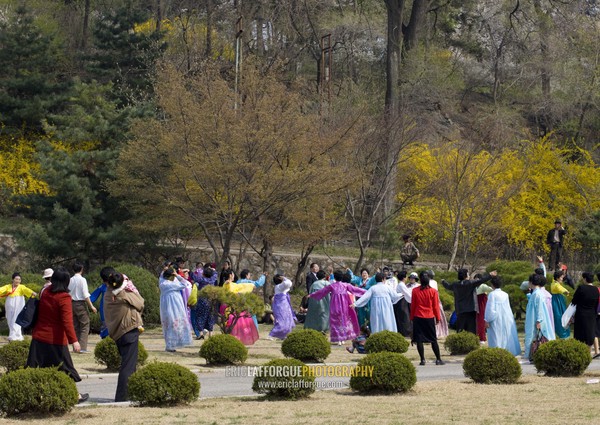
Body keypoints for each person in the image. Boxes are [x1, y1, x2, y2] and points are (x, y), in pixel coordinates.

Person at [26, 267, 88, 403]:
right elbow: (67, 322)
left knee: (40, 368)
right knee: (65, 367)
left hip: (38, 337)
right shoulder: (64, 297)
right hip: (55, 339)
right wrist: (74, 341)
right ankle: (74, 395)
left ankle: (35, 396)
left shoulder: (45, 291)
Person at [104, 271, 144, 402]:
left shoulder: (108, 294)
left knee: (127, 365)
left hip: (118, 334)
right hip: (129, 332)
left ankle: (129, 394)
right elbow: (140, 303)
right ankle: (122, 397)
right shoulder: (124, 295)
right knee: (128, 367)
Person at [308, 269, 366, 345]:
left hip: (334, 307)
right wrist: (367, 292)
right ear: (341, 277)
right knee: (343, 321)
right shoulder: (345, 285)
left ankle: (339, 339)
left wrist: (312, 295)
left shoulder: (332, 285)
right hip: (344, 306)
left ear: (335, 278)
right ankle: (343, 338)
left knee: (336, 322)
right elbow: (355, 289)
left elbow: (322, 291)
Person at [441, 269, 497, 335]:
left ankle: (460, 343)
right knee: (471, 330)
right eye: (468, 274)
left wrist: (443, 281)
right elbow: (481, 280)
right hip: (471, 310)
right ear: (466, 275)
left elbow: (448, 286)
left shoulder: (455, 285)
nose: (469, 275)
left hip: (460, 310)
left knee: (460, 330)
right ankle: (471, 343)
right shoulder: (471, 283)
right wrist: (490, 275)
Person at [410, 271, 444, 365]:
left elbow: (413, 305)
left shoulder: (415, 291)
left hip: (418, 316)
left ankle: (422, 360)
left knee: (419, 339)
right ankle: (438, 359)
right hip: (429, 317)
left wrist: (412, 317)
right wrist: (438, 318)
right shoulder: (433, 291)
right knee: (433, 339)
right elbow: (435, 306)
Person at [484, 276, 521, 356]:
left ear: (492, 285)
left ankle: (497, 353)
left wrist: (487, 319)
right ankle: (507, 351)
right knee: (505, 334)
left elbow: (490, 309)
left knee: (496, 336)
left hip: (496, 319)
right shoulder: (505, 294)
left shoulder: (492, 295)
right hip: (506, 317)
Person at [159, 266, 192, 352]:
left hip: (165, 305)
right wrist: (177, 275)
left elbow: (161, 276)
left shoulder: (162, 282)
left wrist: (165, 271)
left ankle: (169, 345)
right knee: (174, 322)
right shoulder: (172, 284)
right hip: (175, 305)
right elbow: (185, 283)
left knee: (169, 323)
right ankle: (171, 345)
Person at [221, 271, 259, 345]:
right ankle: (234, 337)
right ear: (230, 275)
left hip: (233, 306)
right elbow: (236, 288)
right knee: (234, 322)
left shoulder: (233, 284)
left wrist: (250, 285)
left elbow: (242, 286)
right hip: (232, 306)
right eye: (233, 274)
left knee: (235, 322)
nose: (234, 275)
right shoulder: (228, 284)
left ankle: (235, 338)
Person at [524, 274, 556, 361]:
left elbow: (540, 309)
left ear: (531, 282)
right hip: (533, 318)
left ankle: (534, 355)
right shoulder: (536, 293)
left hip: (535, 319)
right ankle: (533, 355)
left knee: (535, 337)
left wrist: (539, 320)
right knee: (533, 336)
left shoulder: (537, 294)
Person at [68, 262, 97, 353]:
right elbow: (85, 294)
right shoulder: (82, 280)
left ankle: (75, 348)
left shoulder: (70, 280)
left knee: (75, 326)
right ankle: (82, 348)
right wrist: (91, 306)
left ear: (73, 270)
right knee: (85, 325)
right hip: (80, 304)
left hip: (71, 303)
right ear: (81, 269)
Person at [0, 272, 37, 341]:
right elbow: (1, 289)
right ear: (12, 279)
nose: (18, 281)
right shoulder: (8, 286)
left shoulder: (21, 287)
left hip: (18, 304)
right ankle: (12, 335)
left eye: (19, 279)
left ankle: (17, 336)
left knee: (16, 319)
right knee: (9, 319)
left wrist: (32, 292)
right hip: (9, 304)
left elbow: (26, 290)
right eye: (16, 279)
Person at [571, 272, 599, 348]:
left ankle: (580, 352)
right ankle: (588, 354)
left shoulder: (581, 288)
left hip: (581, 314)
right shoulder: (596, 289)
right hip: (592, 315)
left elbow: (574, 301)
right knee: (589, 334)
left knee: (580, 334)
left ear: (585, 279)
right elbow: (596, 303)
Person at [90, 266, 115, 339]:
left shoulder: (117, 285)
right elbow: (92, 297)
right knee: (106, 329)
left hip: (115, 312)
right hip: (104, 313)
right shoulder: (103, 287)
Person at [268, 275, 296, 340]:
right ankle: (272, 335)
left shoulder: (279, 287)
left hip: (283, 306)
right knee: (282, 321)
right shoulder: (279, 286)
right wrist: (284, 278)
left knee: (286, 320)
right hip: (282, 306)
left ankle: (283, 335)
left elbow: (288, 285)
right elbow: (289, 283)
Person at [193, 266, 217, 340]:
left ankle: (200, 333)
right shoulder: (212, 280)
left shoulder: (201, 279)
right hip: (210, 300)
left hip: (202, 300)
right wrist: (214, 270)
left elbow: (194, 277)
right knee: (210, 316)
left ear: (203, 274)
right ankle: (210, 334)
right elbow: (216, 274)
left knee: (199, 316)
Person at [427, 270, 449, 339]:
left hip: (431, 300)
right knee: (438, 316)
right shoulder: (434, 282)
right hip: (436, 300)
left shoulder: (429, 282)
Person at [550, 270, 570, 339]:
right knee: (559, 317)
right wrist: (566, 291)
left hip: (558, 301)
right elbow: (560, 288)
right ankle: (562, 334)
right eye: (561, 277)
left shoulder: (554, 282)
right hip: (557, 303)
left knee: (560, 316)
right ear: (557, 278)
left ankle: (561, 334)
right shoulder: (555, 285)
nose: (562, 278)